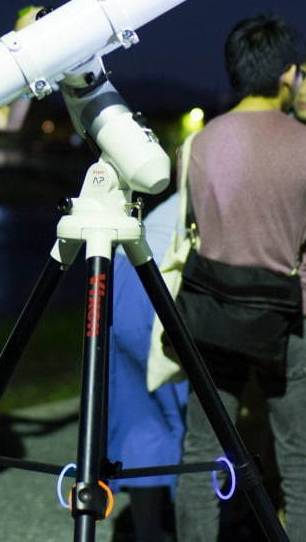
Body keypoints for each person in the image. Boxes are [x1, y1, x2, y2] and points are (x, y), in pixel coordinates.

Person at [175, 14, 306, 542]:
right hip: (288, 317)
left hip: (210, 314)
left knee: (201, 455)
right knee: (302, 465)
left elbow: (195, 223)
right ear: (288, 74)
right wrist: (301, 284)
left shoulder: (201, 143)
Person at [108, 194, 190, 542]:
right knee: (181, 417)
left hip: (123, 273)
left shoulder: (185, 189)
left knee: (140, 417)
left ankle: (148, 532)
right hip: (163, 285)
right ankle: (182, 527)